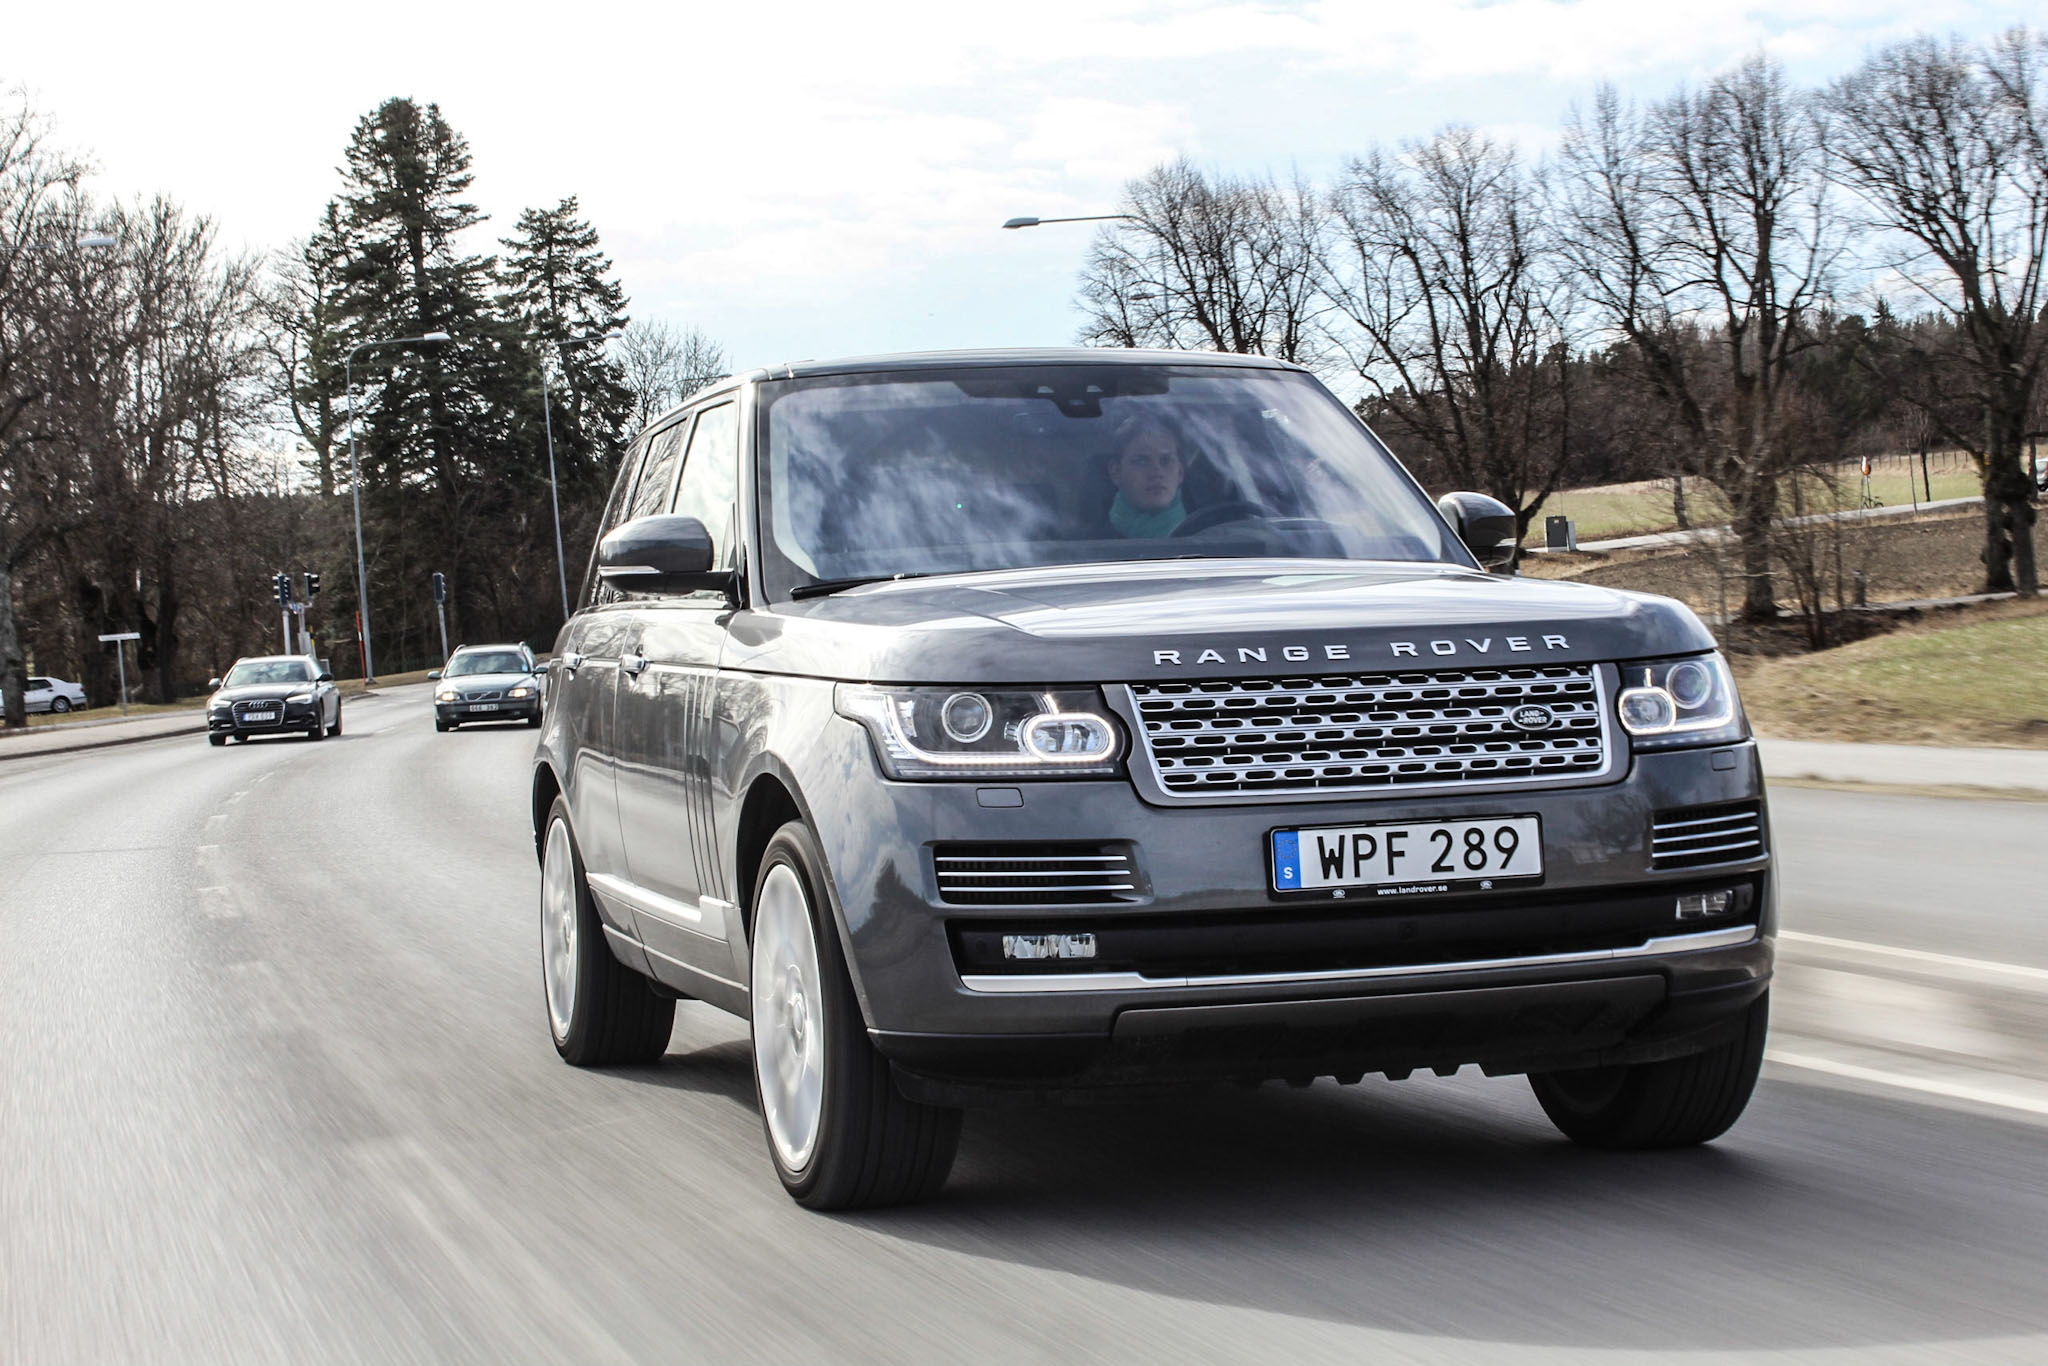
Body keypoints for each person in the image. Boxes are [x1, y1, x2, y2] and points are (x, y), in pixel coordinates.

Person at [1104, 417, 1187, 537]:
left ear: (1180, 473)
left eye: (1166, 460)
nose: (1157, 473)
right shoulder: (1088, 542)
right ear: (1116, 472)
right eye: (1141, 461)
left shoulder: (1208, 533)